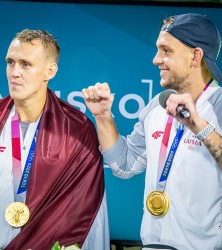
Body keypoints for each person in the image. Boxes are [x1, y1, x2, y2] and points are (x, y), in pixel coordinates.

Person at [82, 13, 222, 250]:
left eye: (166, 50)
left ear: (195, 56)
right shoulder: (157, 105)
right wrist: (103, 117)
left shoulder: (218, 104)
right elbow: (125, 165)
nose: (156, 59)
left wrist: (197, 124)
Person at [0, 29, 109, 250]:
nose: (14, 72)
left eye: (25, 64)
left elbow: (89, 210)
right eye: (10, 62)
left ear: (50, 71)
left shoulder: (76, 130)